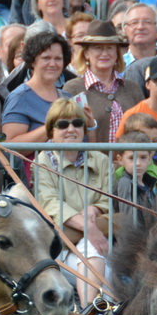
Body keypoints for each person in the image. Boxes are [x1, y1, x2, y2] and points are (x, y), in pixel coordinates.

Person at [30, 97, 110, 302]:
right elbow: (50, 203)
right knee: (95, 258)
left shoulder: (101, 159)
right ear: (51, 131)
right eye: (63, 124)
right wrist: (89, 227)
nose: (71, 129)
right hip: (61, 249)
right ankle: (90, 310)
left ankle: (89, 311)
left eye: (77, 123)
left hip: (100, 245)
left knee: (96, 258)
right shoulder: (42, 162)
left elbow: (109, 200)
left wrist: (94, 209)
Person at [60, 20, 138, 144]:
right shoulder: (73, 88)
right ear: (86, 53)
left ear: (117, 53)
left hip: (130, 157)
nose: (104, 53)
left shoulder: (132, 88)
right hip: (88, 157)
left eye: (110, 48)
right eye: (98, 48)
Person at [0, 30, 72, 142]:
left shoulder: (68, 98)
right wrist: (52, 126)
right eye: (46, 58)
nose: (52, 64)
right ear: (33, 61)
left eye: (58, 58)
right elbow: (10, 144)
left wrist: (90, 124)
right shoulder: (19, 97)